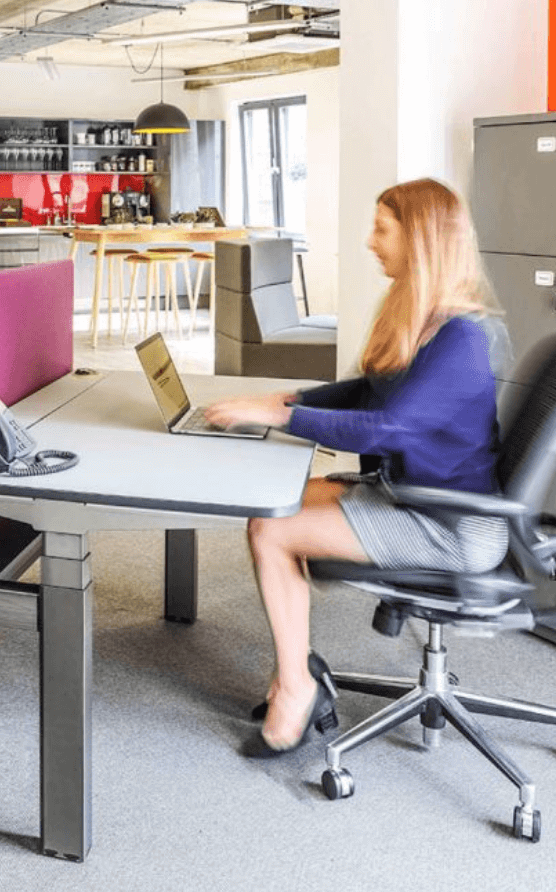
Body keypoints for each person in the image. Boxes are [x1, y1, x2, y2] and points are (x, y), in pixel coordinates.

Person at [205, 178, 510, 757]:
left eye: (382, 229)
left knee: (274, 529)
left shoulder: (461, 338)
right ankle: (297, 667)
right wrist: (290, 401)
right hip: (414, 495)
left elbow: (387, 427)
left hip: (454, 526)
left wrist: (279, 417)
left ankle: (295, 688)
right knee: (268, 510)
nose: (370, 242)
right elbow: (371, 391)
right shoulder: (427, 319)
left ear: (418, 239)